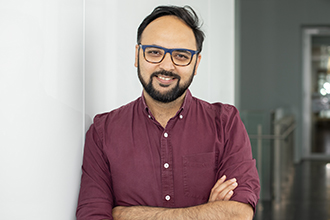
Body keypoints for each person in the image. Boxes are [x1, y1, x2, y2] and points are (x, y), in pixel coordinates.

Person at [76, 5, 260, 220]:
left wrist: (125, 214)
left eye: (181, 56)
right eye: (155, 52)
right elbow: (93, 215)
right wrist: (206, 212)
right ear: (137, 55)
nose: (167, 66)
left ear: (196, 63)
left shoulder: (225, 123)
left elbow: (238, 214)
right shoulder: (102, 132)